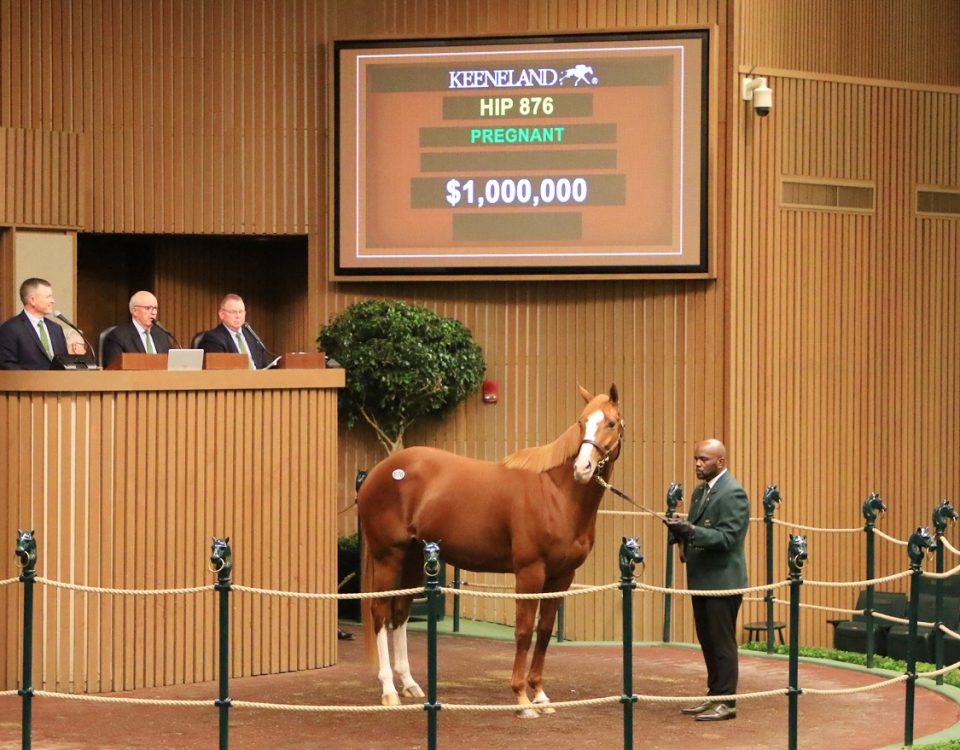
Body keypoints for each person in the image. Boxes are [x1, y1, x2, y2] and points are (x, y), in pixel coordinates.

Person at [664, 439, 750, 722]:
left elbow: (728, 538)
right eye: (696, 459)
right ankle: (714, 695)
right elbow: (696, 532)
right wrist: (678, 529)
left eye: (704, 459)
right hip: (701, 580)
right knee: (707, 641)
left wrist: (691, 531)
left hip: (723, 583)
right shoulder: (701, 492)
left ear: (720, 462)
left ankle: (727, 701)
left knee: (722, 643)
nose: (698, 464)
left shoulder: (733, 493)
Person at [0, 277, 68, 370]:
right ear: (32, 300)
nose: (53, 301)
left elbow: (65, 362)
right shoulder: (10, 328)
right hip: (27, 383)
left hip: (57, 383)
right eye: (48, 297)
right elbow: (7, 364)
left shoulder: (56, 329)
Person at [198, 293, 271, 369]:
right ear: (221, 314)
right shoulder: (213, 339)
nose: (238, 316)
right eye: (233, 312)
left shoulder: (252, 336)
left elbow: (264, 366)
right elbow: (219, 371)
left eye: (241, 312)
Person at [101, 291, 173, 367]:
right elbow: (114, 368)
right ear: (135, 311)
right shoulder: (118, 336)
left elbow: (172, 365)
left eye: (155, 308)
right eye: (148, 308)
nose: (154, 312)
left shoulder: (162, 335)